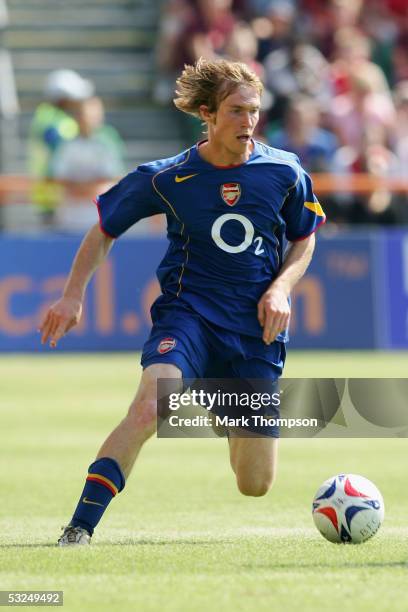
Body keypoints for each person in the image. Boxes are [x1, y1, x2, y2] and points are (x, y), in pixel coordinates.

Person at [39, 58, 325, 546]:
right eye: (236, 111)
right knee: (151, 408)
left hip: (254, 332)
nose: (249, 122)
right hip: (187, 315)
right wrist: (71, 295)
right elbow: (105, 229)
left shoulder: (283, 171)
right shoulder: (168, 177)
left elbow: (305, 238)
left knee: (254, 484)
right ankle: (79, 528)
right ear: (207, 115)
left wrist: (281, 288)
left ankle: (218, 401)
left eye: (255, 111)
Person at [28, 69, 95, 226]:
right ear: (64, 99)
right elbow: (62, 155)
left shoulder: (49, 116)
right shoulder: (54, 122)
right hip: (56, 198)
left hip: (61, 197)